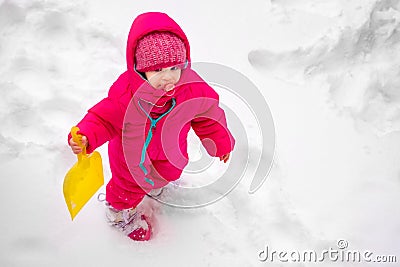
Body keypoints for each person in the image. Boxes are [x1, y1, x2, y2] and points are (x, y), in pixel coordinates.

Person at [68, 12, 235, 241]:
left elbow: (208, 114)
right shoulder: (126, 96)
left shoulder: (191, 88)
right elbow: (103, 118)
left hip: (170, 150)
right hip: (131, 158)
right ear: (140, 69)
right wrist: (86, 136)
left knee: (170, 171)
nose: (168, 77)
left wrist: (219, 142)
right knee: (127, 187)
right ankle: (119, 214)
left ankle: (155, 187)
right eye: (157, 70)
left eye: (174, 68)